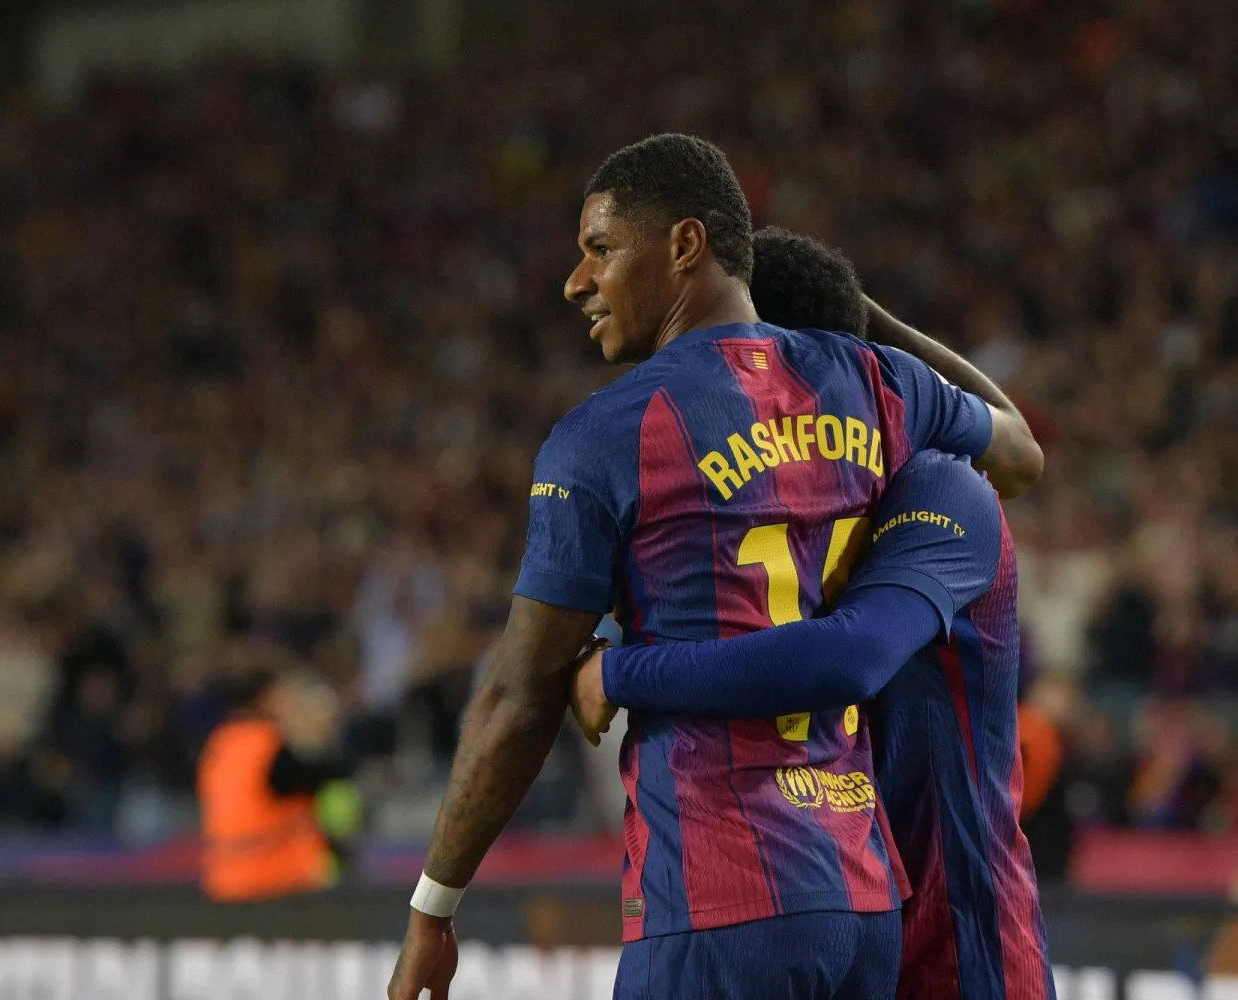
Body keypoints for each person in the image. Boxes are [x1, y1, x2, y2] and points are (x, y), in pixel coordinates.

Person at [386, 135, 1043, 1000]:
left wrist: (434, 906)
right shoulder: (877, 386)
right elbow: (1019, 447)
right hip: (862, 895)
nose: (576, 282)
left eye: (599, 249)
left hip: (721, 900)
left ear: (687, 246)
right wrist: (863, 315)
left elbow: (519, 694)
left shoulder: (606, 434)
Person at [571, 234, 1053, 999]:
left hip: (964, 943)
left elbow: (849, 655)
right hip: (855, 912)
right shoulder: (790, 508)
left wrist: (623, 671)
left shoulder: (940, 489)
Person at [197, 668, 354, 902]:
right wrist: (317, 734)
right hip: (278, 883)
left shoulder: (222, 742)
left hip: (226, 882)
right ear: (268, 697)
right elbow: (327, 777)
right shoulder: (272, 748)